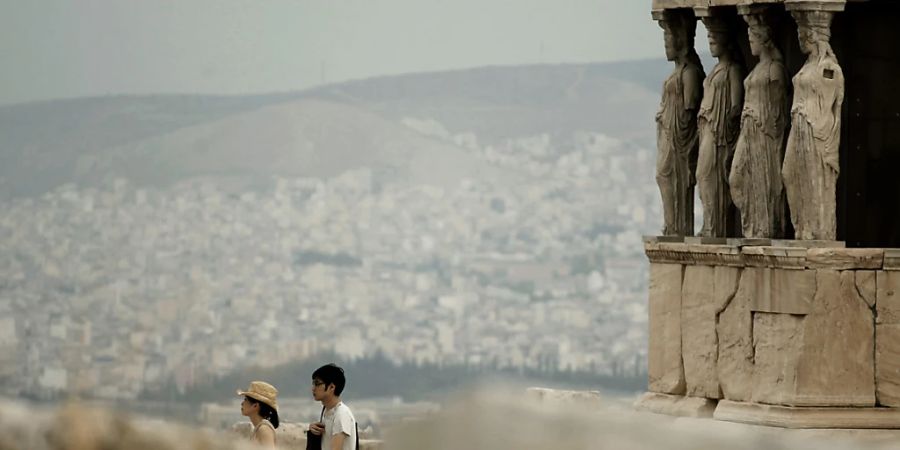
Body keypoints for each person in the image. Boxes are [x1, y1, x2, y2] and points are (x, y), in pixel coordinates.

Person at [308, 364, 357, 450]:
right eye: (313, 383)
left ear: (331, 387)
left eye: (317, 384)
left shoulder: (341, 414)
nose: (313, 388)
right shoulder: (327, 411)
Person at [237, 381, 280, 448]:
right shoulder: (259, 428)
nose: (242, 403)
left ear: (255, 406)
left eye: (245, 399)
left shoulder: (264, 429)